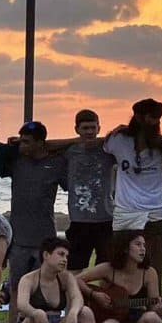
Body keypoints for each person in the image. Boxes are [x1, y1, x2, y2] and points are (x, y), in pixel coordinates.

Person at [104, 98, 162, 289]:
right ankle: (114, 307)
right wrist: (115, 130)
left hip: (155, 213)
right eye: (152, 118)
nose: (156, 122)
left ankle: (153, 308)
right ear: (139, 118)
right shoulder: (119, 140)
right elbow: (101, 145)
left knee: (154, 265)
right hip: (126, 212)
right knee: (118, 263)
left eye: (159, 118)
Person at [81, 228, 162, 323]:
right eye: (138, 244)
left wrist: (161, 309)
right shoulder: (107, 269)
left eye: (144, 245)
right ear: (125, 248)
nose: (143, 248)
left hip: (137, 320)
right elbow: (74, 280)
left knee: (153, 318)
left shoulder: (149, 273)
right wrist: (94, 294)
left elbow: (152, 308)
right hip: (111, 318)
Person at [4, 121, 71, 281]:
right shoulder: (16, 161)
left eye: (26, 141)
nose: (22, 144)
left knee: (43, 286)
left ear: (40, 143)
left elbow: (71, 186)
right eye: (21, 139)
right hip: (18, 239)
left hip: (44, 238)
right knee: (16, 286)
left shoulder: (57, 163)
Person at [58, 109, 115, 271]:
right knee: (74, 268)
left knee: (107, 268)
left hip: (105, 219)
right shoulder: (69, 152)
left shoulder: (108, 151)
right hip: (79, 221)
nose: (89, 132)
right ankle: (76, 296)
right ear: (77, 129)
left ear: (99, 128)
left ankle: (103, 296)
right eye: (85, 128)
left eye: (93, 128)